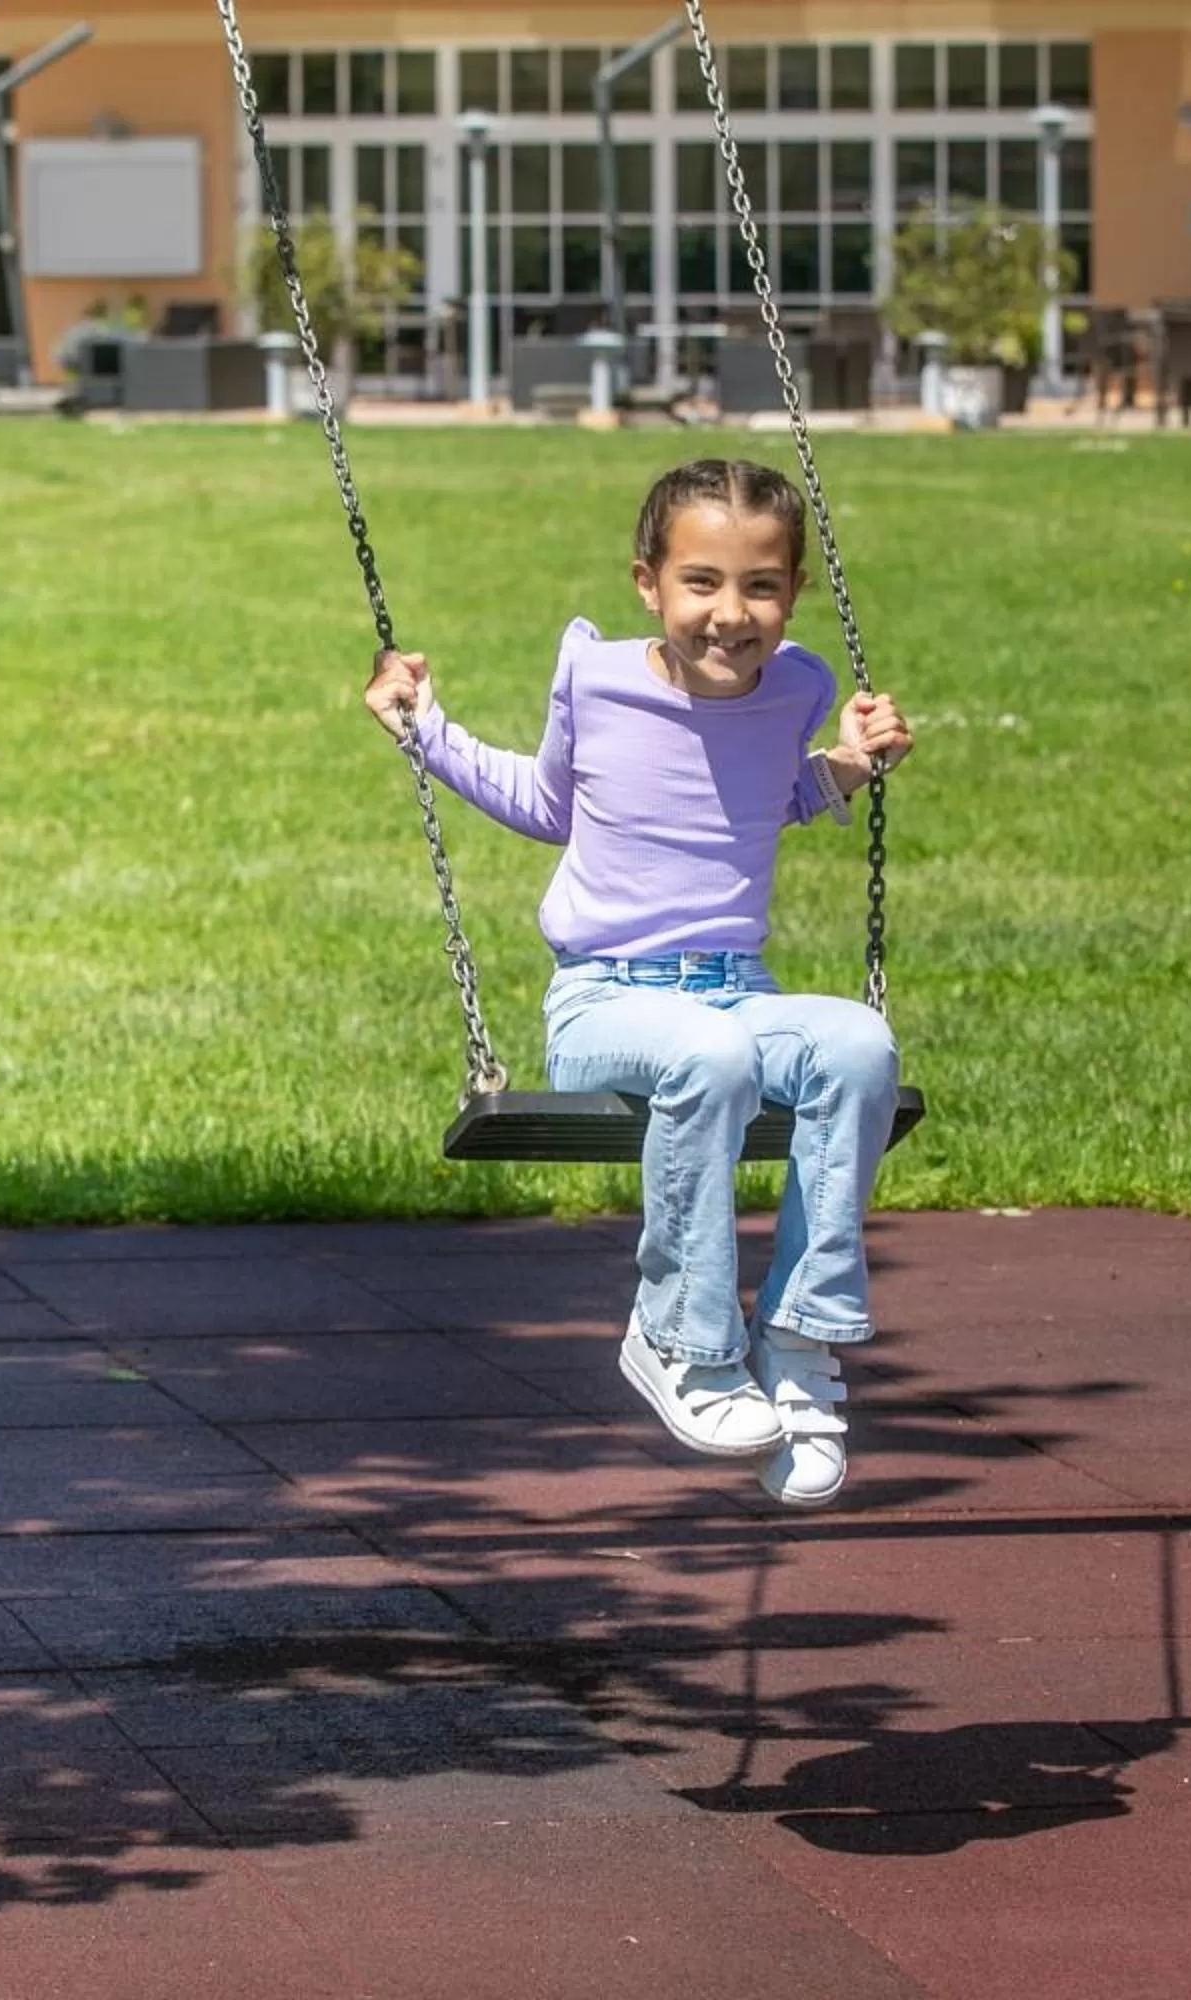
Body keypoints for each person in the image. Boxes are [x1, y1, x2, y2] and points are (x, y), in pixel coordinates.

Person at [360, 457, 913, 1510]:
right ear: (647, 583)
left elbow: (757, 799)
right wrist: (421, 728)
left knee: (856, 1045)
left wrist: (846, 765)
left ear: (792, 593)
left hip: (737, 988)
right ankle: (682, 1337)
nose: (730, 613)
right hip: (607, 1000)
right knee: (715, 1056)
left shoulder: (798, 686)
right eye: (701, 582)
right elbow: (546, 801)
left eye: (760, 586)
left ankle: (798, 1346)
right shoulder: (599, 680)